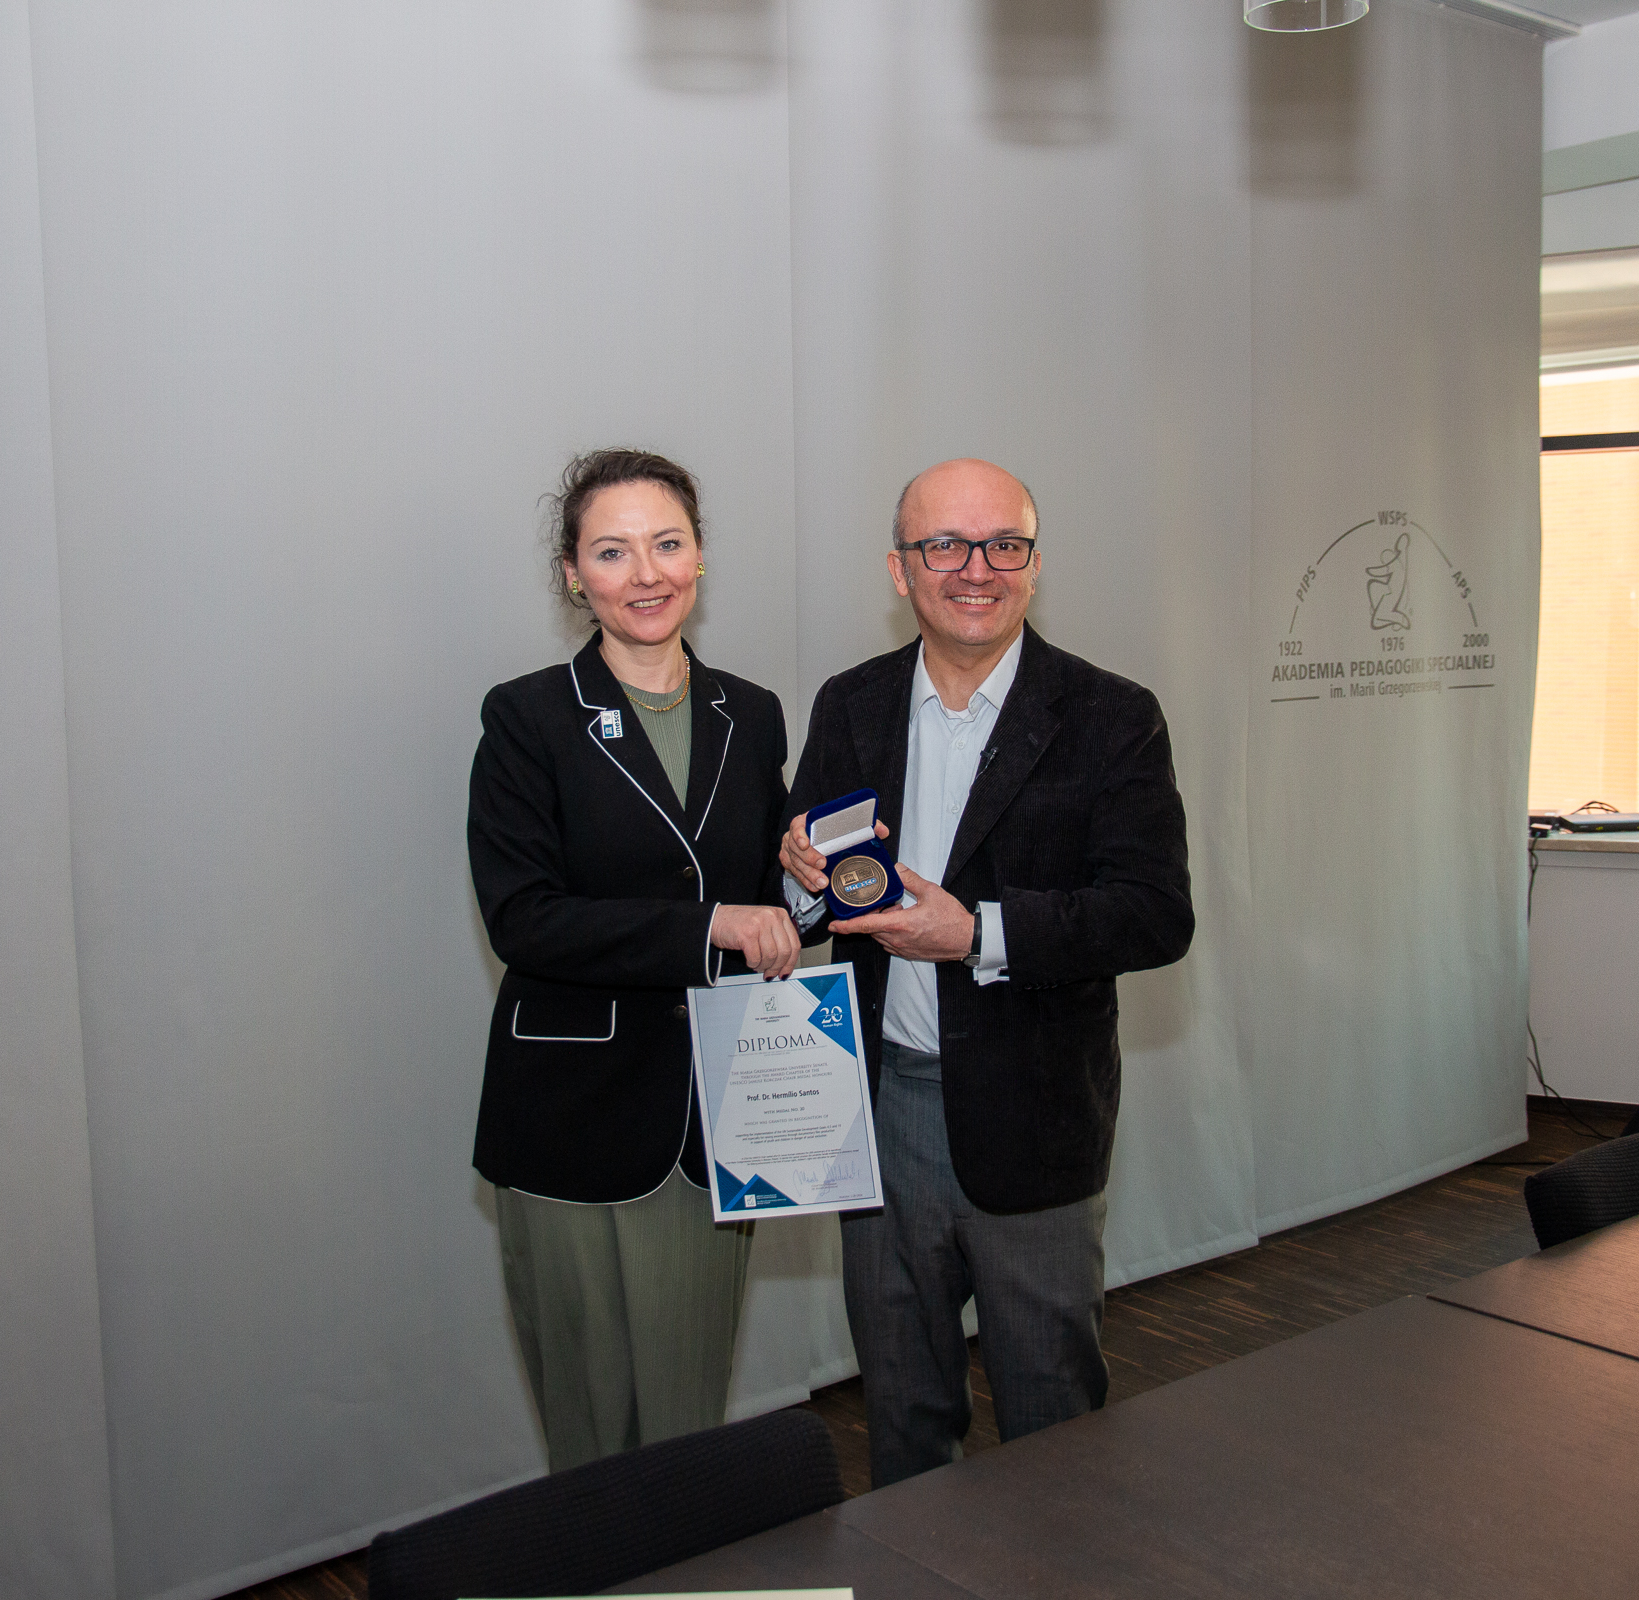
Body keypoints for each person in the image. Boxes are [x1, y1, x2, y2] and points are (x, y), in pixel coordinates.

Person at [779, 457, 1193, 1487]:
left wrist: (980, 935)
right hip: (880, 1118)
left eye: (1004, 544)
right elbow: (813, 893)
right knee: (904, 1419)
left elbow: (1154, 914)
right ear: (900, 569)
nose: (977, 569)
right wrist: (796, 879)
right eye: (946, 546)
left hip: (1035, 1119)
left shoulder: (1112, 715)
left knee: (1054, 1429)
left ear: (1035, 564)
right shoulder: (851, 704)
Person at [467, 448, 801, 1473]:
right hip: (570, 1120)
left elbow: (768, 905)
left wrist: (825, 885)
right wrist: (710, 928)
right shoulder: (526, 717)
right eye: (612, 551)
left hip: (716, 1113)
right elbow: (525, 919)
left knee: (689, 1427)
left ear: (700, 558)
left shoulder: (753, 714)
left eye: (667, 543)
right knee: (593, 1435)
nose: (645, 573)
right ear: (574, 574)